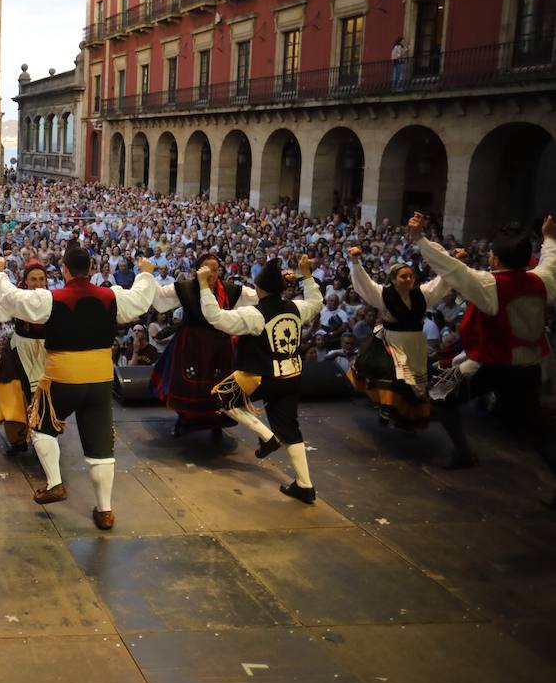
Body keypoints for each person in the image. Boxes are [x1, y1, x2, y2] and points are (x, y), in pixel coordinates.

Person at [0, 245, 159, 530]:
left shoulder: (51, 298)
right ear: (91, 269)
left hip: (63, 376)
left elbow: (12, 298)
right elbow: (141, 300)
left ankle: (55, 482)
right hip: (101, 379)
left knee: (41, 427)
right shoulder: (111, 296)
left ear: (64, 270)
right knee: (101, 445)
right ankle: (105, 510)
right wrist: (145, 274)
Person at [411, 212, 556, 488]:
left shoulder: (491, 285)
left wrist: (420, 239)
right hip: (530, 367)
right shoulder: (541, 281)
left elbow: (453, 269)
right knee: (536, 432)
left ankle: (462, 451)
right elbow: (552, 262)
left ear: (496, 259)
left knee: (438, 392)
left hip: (492, 363)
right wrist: (550, 238)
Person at [197, 256, 323, 504]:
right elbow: (316, 302)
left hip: (261, 375)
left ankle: (267, 437)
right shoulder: (296, 308)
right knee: (290, 428)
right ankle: (305, 485)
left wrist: (203, 285)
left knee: (222, 397)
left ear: (260, 288)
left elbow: (216, 318)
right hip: (292, 375)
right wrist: (307, 275)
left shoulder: (254, 314)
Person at [346, 248, 472, 464]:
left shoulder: (422, 295)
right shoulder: (383, 294)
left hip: (415, 344)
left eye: (411, 276)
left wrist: (456, 260)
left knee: (414, 385)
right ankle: (387, 410)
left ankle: (406, 419)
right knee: (393, 380)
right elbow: (363, 283)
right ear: (393, 279)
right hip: (392, 343)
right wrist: (356, 260)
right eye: (403, 276)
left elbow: (442, 281)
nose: (408, 279)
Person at [149, 252, 255, 439]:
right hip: (190, 347)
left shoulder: (230, 290)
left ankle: (217, 425)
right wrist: (145, 276)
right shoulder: (186, 288)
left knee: (218, 387)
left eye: (215, 269)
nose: (211, 274)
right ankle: (183, 421)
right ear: (198, 271)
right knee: (187, 386)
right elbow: (158, 298)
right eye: (206, 269)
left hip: (219, 347)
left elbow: (257, 297)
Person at [0, 260, 49, 455]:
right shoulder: (18, 298)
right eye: (33, 279)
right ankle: (17, 439)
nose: (37, 283)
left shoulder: (51, 298)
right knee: (13, 393)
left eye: (41, 279)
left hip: (45, 353)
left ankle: (44, 436)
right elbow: (2, 313)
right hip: (18, 351)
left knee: (44, 396)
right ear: (25, 280)